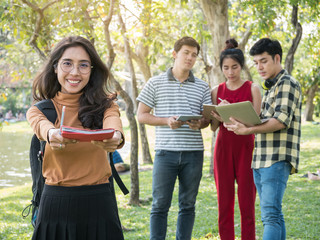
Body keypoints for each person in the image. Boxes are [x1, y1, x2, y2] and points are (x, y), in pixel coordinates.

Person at [26, 36, 125, 240]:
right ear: (55, 67)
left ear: (92, 70)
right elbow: (41, 126)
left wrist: (115, 137)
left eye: (83, 65)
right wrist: (52, 134)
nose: (75, 72)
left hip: (100, 201)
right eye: (67, 63)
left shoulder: (107, 105)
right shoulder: (41, 110)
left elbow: (114, 125)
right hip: (56, 203)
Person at [224, 38, 302, 240]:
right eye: (256, 62)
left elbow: (280, 121)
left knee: (270, 217)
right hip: (260, 159)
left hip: (275, 159)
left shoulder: (287, 84)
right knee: (275, 215)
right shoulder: (271, 87)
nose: (259, 67)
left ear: (277, 58)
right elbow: (259, 121)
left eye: (264, 61)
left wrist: (247, 130)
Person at [136, 36, 211, 240]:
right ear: (175, 54)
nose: (190, 58)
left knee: (187, 205)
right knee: (160, 204)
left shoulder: (203, 86)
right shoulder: (155, 83)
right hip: (165, 153)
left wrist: (200, 123)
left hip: (194, 153)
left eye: (194, 55)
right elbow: (141, 115)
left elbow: (207, 119)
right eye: (186, 53)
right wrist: (166, 121)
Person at [210, 39, 261, 240]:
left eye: (234, 67)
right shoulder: (216, 91)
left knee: (247, 203)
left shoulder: (253, 88)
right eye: (226, 68)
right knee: (224, 203)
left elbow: (256, 124)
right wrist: (216, 117)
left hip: (246, 148)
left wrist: (235, 111)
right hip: (223, 148)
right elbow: (214, 128)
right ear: (221, 68)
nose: (230, 72)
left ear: (241, 66)